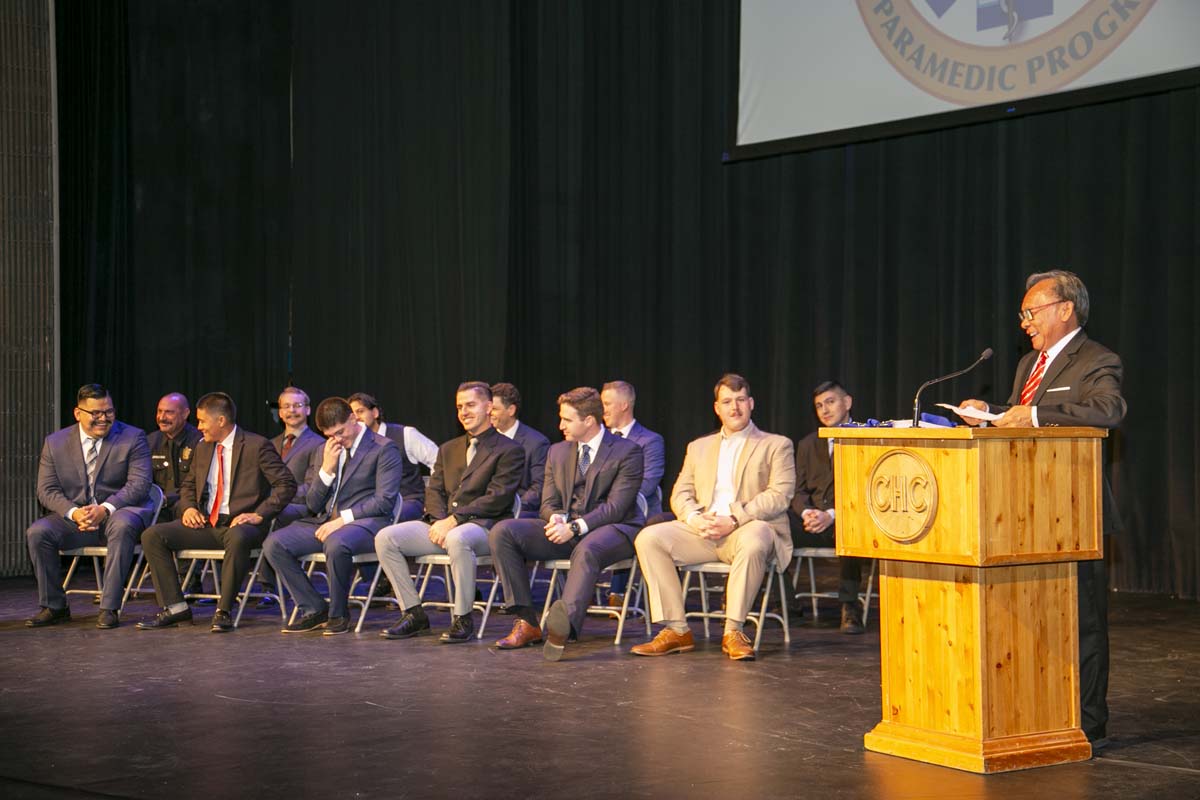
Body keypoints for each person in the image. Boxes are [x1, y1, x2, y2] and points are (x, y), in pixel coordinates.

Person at [959, 269, 1126, 746]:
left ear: (1064, 309)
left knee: (1084, 627)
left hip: (1076, 514)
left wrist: (1030, 414)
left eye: (1031, 312)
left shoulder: (1097, 359)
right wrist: (990, 417)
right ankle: (1041, 712)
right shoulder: (1027, 365)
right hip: (1023, 515)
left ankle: (1089, 724)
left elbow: (1107, 410)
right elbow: (1019, 428)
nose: (1024, 322)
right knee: (1034, 624)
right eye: (1023, 314)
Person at [632, 374, 795, 661]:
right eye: (727, 402)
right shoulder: (699, 447)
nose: (735, 408)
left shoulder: (776, 444)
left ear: (751, 403)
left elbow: (780, 495)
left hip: (746, 529)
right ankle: (677, 629)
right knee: (649, 538)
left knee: (757, 535)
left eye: (741, 400)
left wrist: (734, 519)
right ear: (717, 408)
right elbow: (680, 493)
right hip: (704, 531)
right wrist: (694, 519)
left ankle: (733, 630)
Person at [488, 387, 644, 661]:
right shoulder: (557, 452)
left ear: (590, 421)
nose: (560, 425)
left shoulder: (627, 452)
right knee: (504, 531)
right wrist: (556, 517)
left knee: (588, 549)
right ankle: (526, 622)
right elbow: (548, 501)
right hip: (567, 529)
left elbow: (616, 507)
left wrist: (575, 527)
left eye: (567, 420)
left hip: (615, 530)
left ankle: (563, 629)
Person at [374, 382, 525, 643]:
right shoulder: (448, 448)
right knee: (386, 538)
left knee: (458, 538)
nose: (463, 412)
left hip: (484, 527)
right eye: (459, 407)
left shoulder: (509, 449)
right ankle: (413, 613)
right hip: (445, 524)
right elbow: (434, 491)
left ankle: (463, 618)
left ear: (489, 407)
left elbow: (498, 498)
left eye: (470, 405)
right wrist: (439, 520)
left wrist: (455, 520)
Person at [136, 392, 296, 632]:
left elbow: (286, 484)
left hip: (242, 525)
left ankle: (224, 610)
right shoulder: (203, 447)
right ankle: (176, 607)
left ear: (220, 420)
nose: (198, 427)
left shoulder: (256, 445)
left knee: (238, 536)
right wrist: (189, 507)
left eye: (202, 421)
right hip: (209, 523)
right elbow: (189, 485)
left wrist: (260, 514)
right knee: (153, 535)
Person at [263, 397, 403, 635]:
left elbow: (384, 501)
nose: (337, 439)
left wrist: (343, 519)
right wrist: (326, 469)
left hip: (366, 523)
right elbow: (313, 503)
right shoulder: (325, 449)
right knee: (274, 543)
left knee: (336, 542)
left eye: (340, 432)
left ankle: (338, 614)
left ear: (353, 418)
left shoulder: (383, 448)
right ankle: (314, 608)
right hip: (326, 520)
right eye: (330, 435)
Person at [25, 384, 153, 629]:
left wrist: (105, 508)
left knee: (123, 524)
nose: (103, 419)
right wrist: (74, 513)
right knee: (38, 532)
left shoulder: (133, 437)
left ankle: (109, 607)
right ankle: (54, 606)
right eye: (96, 413)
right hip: (77, 518)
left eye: (109, 412)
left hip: (117, 513)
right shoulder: (55, 443)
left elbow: (139, 484)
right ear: (78, 413)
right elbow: (46, 490)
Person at [789, 380, 868, 634]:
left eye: (830, 402)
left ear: (847, 402)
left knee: (851, 528)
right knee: (769, 527)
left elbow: (865, 493)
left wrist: (832, 515)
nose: (824, 410)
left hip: (846, 519)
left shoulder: (867, 439)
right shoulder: (808, 444)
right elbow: (797, 491)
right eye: (819, 405)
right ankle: (787, 602)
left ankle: (849, 606)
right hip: (813, 519)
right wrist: (807, 512)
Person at [600, 380, 666, 605]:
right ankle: (568, 596)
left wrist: (613, 499)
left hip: (639, 512)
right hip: (602, 510)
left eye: (607, 404)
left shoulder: (650, 441)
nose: (603, 410)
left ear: (624, 405)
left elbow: (648, 483)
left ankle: (619, 593)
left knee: (622, 519)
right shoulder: (599, 440)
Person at [348, 392, 436, 521]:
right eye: (352, 415)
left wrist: (433, 499)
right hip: (373, 506)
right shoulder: (352, 445)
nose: (356, 418)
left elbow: (439, 461)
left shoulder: (405, 434)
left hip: (409, 502)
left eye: (360, 411)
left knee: (381, 520)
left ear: (375, 413)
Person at [490, 382, 550, 519]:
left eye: (494, 409)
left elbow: (539, 487)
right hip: (487, 510)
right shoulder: (486, 440)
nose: (489, 414)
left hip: (518, 512)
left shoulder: (537, 443)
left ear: (511, 410)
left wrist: (510, 508)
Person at [271, 386, 325, 528]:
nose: (292, 411)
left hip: (300, 507)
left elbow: (311, 487)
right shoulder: (269, 444)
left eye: (297, 406)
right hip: (272, 504)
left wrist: (276, 497)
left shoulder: (319, 444)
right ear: (281, 413)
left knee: (271, 513)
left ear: (307, 410)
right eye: (286, 406)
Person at [145, 392, 201, 522]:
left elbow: (198, 485)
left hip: (188, 506)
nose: (162, 417)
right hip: (157, 507)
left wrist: (168, 498)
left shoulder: (200, 442)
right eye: (159, 411)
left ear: (185, 414)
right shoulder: (149, 442)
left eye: (169, 412)